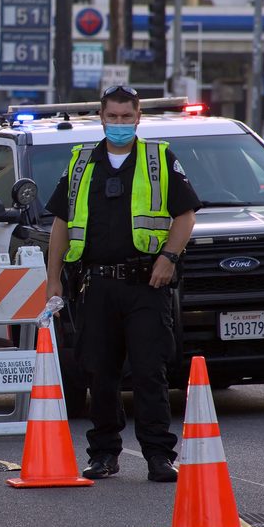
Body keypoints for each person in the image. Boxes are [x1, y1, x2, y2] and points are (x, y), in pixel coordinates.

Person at [44, 85, 201, 483]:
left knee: (150, 371)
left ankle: (158, 456)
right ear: (100, 117)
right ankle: (103, 454)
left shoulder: (159, 158)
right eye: (111, 117)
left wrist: (168, 257)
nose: (118, 124)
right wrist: (53, 281)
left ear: (137, 118)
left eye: (125, 117)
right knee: (99, 372)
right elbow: (60, 225)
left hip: (145, 283)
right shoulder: (80, 162)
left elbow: (185, 215)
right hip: (95, 285)